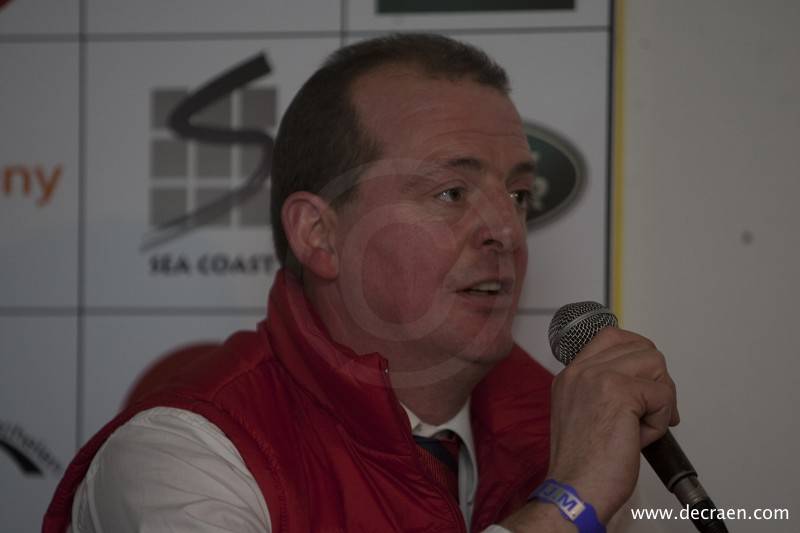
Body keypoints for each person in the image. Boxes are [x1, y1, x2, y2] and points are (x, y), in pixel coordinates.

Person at [44, 34, 678, 533]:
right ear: (319, 235)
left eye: (518, 194)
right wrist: (569, 503)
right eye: (451, 192)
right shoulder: (181, 455)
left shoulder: (566, 432)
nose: (506, 231)